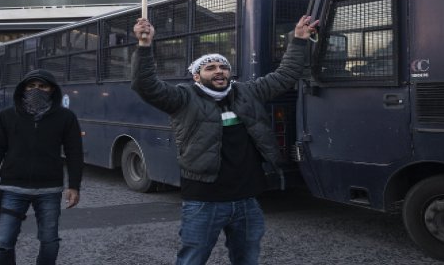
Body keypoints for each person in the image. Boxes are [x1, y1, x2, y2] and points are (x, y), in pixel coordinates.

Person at [131, 15, 319, 265]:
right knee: (192, 259)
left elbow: (285, 75)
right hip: (203, 201)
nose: (219, 71)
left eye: (223, 67)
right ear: (196, 76)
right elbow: (146, 85)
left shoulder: (247, 92)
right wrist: (144, 46)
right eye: (210, 68)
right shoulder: (182, 98)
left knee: (247, 259)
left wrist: (298, 40)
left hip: (247, 200)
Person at [0, 69, 83, 265]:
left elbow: (74, 154)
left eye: (42, 86)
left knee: (50, 243)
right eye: (31, 86)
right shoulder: (6, 116)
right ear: (22, 89)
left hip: (50, 190)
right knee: (3, 244)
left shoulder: (66, 117)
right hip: (12, 188)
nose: (36, 90)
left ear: (52, 90)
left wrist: (74, 186)